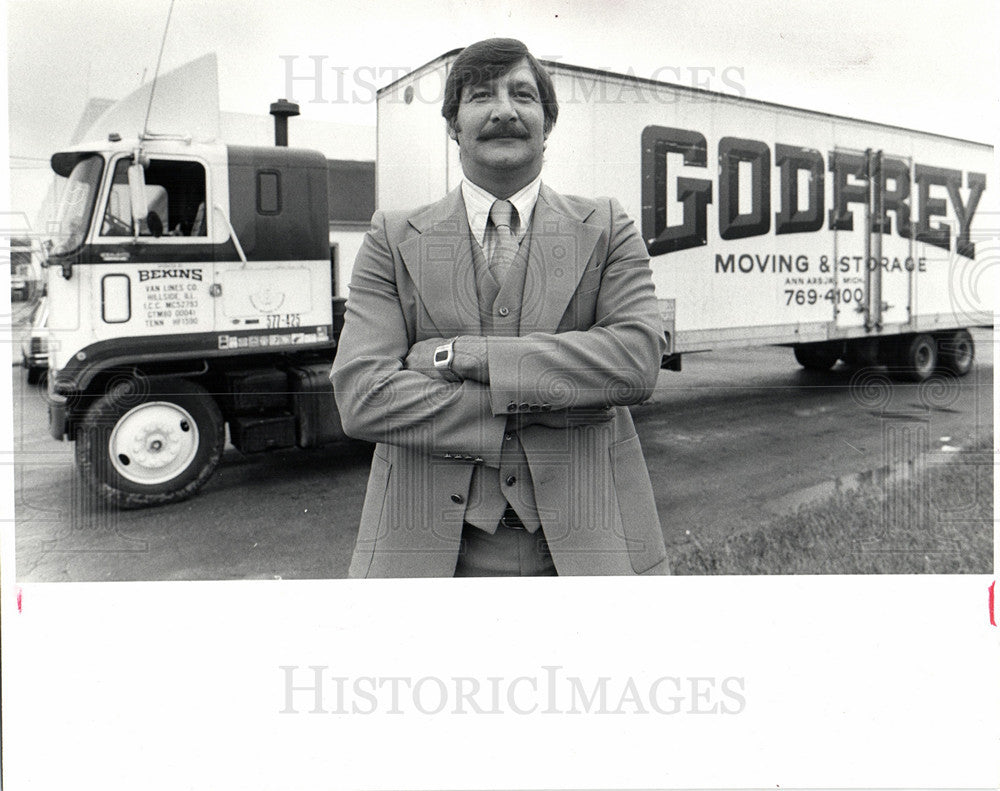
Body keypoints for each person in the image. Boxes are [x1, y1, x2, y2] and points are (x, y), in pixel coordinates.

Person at [331, 38, 669, 577]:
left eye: (523, 95)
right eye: (481, 95)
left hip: (591, 547)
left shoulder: (607, 226)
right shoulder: (392, 237)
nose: (504, 110)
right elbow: (363, 398)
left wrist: (462, 356)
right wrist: (564, 397)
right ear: (453, 124)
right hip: (424, 553)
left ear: (547, 122)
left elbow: (635, 362)